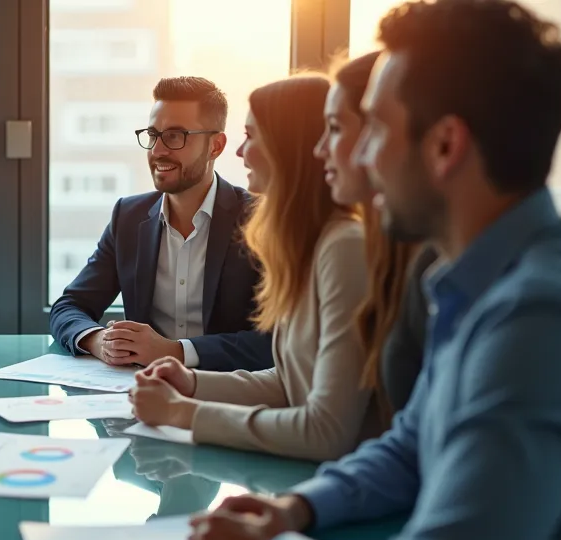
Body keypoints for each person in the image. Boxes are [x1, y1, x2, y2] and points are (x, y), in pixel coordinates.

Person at [188, 2, 561, 540]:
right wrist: (295, 509)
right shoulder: (480, 277)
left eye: (374, 127)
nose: (358, 155)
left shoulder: (544, 319)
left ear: (444, 146)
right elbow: (410, 447)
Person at [131, 74, 380, 461]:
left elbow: (326, 431)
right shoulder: (306, 246)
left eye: (250, 136)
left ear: (287, 147)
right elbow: (290, 382)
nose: (240, 152)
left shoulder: (343, 247)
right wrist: (192, 383)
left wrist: (183, 413)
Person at [49, 77, 273, 372]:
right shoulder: (128, 217)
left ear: (215, 146)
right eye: (153, 135)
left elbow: (274, 340)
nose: (157, 151)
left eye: (175, 136)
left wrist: (175, 352)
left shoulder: (260, 220)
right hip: (144, 388)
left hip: (230, 390)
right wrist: (98, 340)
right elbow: (69, 306)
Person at [317, 50, 437, 420]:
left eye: (335, 128)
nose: (319, 150)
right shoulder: (410, 263)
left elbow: (328, 426)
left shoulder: (349, 246)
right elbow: (409, 437)